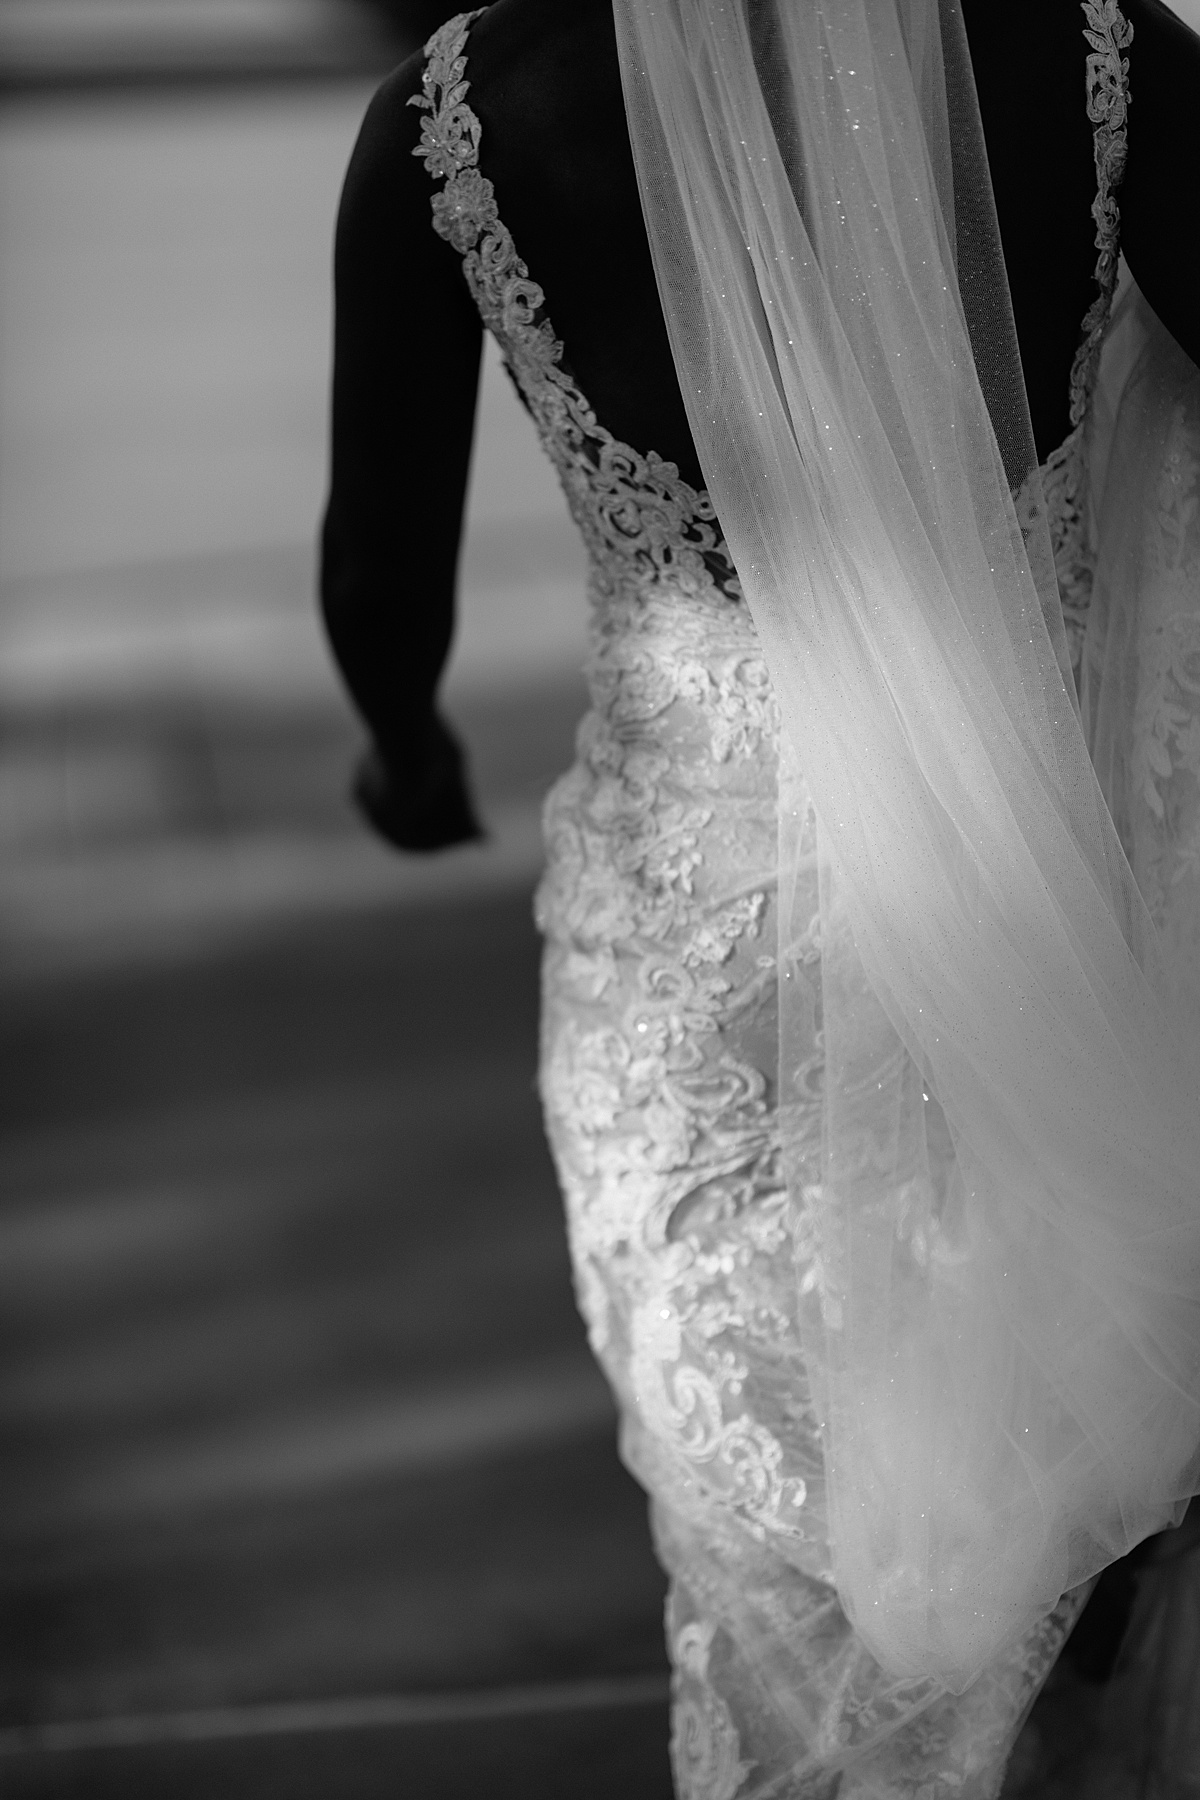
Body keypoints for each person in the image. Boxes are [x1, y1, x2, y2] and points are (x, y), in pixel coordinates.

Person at [321, 2, 1200, 1792]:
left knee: (768, 1542)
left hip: (693, 963)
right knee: (1061, 1437)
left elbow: (381, 566)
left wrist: (406, 756)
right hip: (1044, 918)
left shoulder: (466, 107)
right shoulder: (1089, 45)